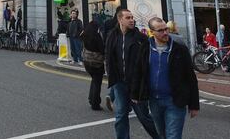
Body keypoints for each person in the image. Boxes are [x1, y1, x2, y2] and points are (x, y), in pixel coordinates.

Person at [130, 17, 199, 139]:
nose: (165, 33)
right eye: (160, 30)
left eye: (166, 29)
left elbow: (190, 77)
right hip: (154, 101)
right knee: (162, 134)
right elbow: (138, 71)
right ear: (152, 32)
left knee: (173, 136)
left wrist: (194, 105)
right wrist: (135, 94)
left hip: (175, 101)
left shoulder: (179, 50)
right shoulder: (145, 48)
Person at [104, 8, 160, 139]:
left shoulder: (140, 38)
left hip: (136, 84)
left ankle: (160, 136)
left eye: (132, 17)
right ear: (120, 20)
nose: (132, 20)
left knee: (143, 116)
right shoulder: (112, 35)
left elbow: (147, 62)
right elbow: (108, 55)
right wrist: (110, 74)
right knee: (120, 115)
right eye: (128, 18)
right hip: (119, 83)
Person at [82, 14, 105, 110]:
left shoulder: (85, 34)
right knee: (97, 82)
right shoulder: (96, 36)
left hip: (87, 61)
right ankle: (95, 103)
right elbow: (102, 49)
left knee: (94, 80)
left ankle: (91, 98)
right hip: (96, 62)